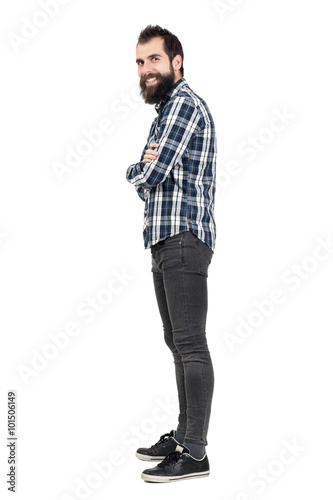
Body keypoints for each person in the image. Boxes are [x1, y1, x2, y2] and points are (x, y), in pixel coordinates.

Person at [126, 25, 217, 483]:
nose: (146, 70)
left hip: (183, 236)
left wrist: (138, 169)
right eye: (140, 63)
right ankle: (184, 435)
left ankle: (195, 452)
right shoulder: (163, 113)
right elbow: (148, 173)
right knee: (177, 343)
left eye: (154, 60)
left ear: (176, 61)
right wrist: (143, 169)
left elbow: (151, 171)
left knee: (190, 344)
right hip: (164, 240)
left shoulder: (183, 105)